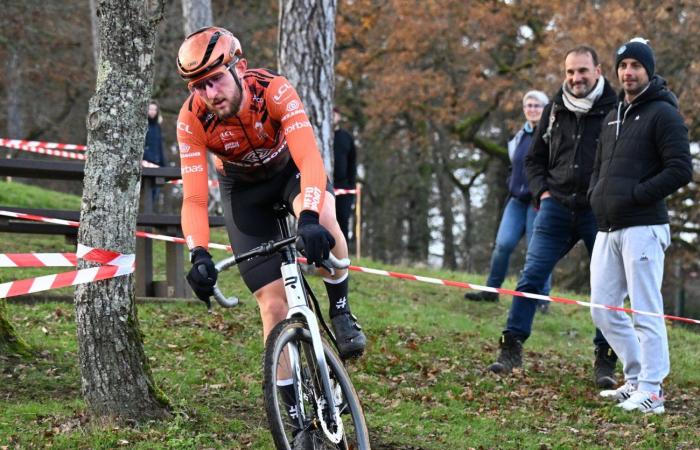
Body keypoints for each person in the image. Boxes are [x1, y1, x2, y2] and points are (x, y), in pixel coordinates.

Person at [175, 27, 367, 362]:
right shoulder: (192, 119)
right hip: (243, 191)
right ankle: (287, 406)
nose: (210, 92)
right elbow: (194, 199)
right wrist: (199, 254)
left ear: (240, 67)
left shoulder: (273, 91)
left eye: (217, 79)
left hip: (289, 172)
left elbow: (309, 157)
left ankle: (340, 310)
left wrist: (306, 219)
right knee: (273, 304)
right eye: (199, 86)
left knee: (322, 215)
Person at [487, 45, 620, 389]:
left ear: (598, 71)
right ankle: (510, 348)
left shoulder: (616, 109)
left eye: (582, 71)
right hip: (555, 208)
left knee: (606, 287)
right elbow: (533, 160)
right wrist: (541, 192)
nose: (576, 78)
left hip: (597, 211)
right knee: (531, 276)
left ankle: (605, 359)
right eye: (570, 72)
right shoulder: (553, 109)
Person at [589, 38, 692, 414]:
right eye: (623, 65)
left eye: (636, 65)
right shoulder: (614, 114)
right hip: (607, 226)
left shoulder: (663, 114)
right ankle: (635, 379)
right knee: (602, 309)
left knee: (645, 310)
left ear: (648, 70)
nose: (628, 72)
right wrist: (595, 194)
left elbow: (681, 168)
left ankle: (653, 391)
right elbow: (600, 165)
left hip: (644, 227)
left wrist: (636, 194)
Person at [464, 90, 552, 308]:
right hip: (516, 201)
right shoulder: (519, 137)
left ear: (546, 109)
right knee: (503, 245)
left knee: (536, 252)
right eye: (528, 105)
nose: (532, 109)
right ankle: (491, 291)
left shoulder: (551, 137)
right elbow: (515, 165)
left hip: (538, 203)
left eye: (537, 106)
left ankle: (542, 299)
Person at [332, 108, 357, 243]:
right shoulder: (316, 136)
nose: (332, 117)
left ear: (339, 117)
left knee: (342, 220)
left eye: (334, 114)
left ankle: (344, 254)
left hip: (344, 188)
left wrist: (350, 187)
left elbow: (352, 164)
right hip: (324, 185)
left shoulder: (346, 138)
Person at [144, 100, 166, 205]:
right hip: (144, 164)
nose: (152, 112)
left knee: (154, 195)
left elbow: (160, 147)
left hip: (156, 164)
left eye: (155, 109)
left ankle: (148, 221)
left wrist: (164, 165)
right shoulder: (142, 126)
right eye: (150, 109)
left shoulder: (158, 127)